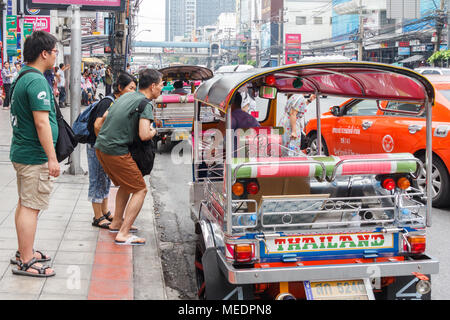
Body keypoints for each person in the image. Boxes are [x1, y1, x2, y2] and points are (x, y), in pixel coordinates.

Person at [9, 30, 59, 277]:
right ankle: (26, 261)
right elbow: (41, 123)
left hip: (22, 152)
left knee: (24, 203)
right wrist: (52, 158)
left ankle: (23, 251)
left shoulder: (22, 76)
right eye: (54, 52)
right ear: (44, 53)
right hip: (33, 155)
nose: (55, 56)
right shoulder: (37, 80)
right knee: (30, 207)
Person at [94, 68, 161, 245]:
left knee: (126, 185)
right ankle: (123, 233)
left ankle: (116, 222)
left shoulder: (124, 97)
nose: (162, 88)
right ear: (153, 86)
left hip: (101, 147)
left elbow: (104, 118)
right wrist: (154, 131)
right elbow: (144, 134)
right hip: (116, 151)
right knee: (140, 189)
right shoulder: (145, 104)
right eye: (161, 85)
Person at [88, 72, 137, 230]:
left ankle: (105, 211)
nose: (133, 92)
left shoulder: (119, 102)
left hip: (105, 148)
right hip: (97, 146)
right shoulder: (107, 102)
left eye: (135, 89)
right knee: (97, 179)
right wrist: (102, 144)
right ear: (120, 88)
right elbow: (97, 125)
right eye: (130, 88)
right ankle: (97, 217)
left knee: (105, 179)